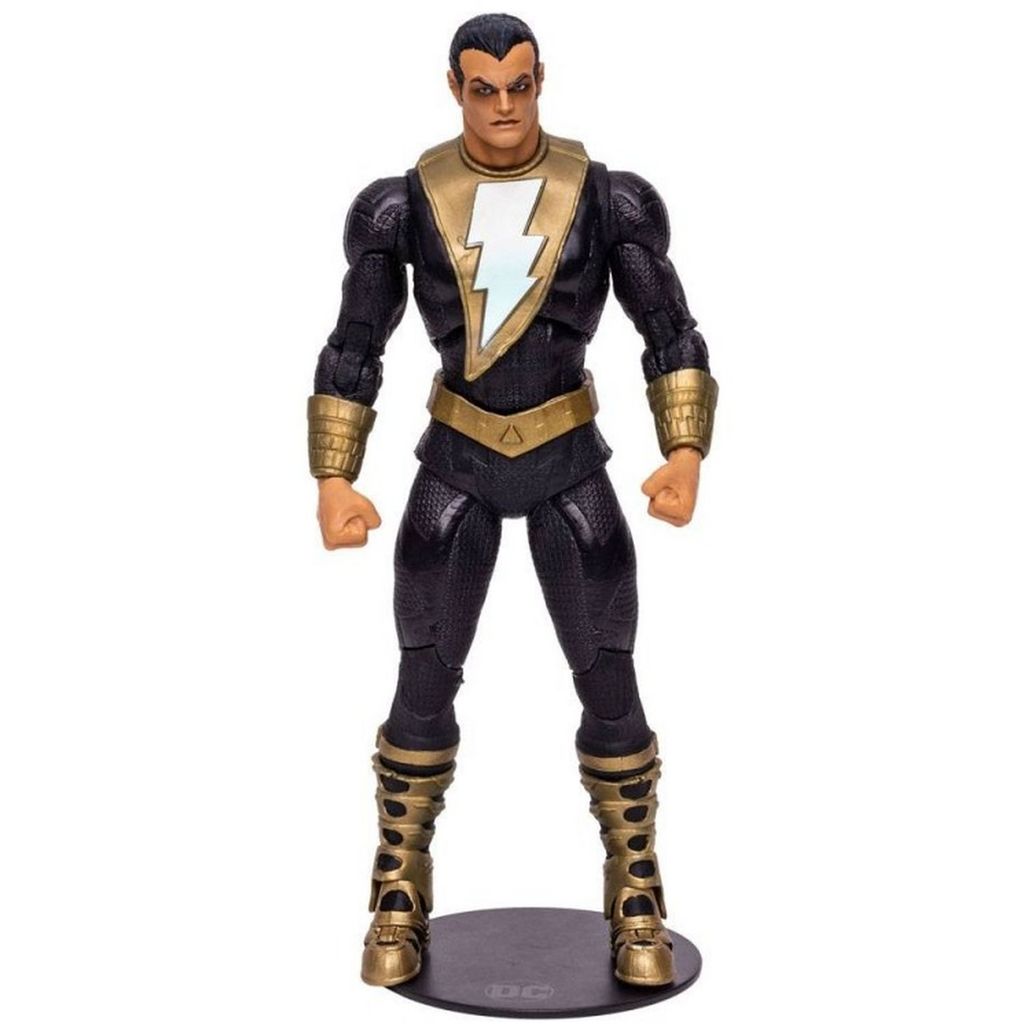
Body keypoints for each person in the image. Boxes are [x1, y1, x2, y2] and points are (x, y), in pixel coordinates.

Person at [307, 13, 718, 989]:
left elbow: (669, 328)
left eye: (519, 86)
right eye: (484, 88)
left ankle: (635, 888)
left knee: (608, 679)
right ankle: (399, 885)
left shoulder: (606, 200)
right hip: (455, 461)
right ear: (454, 88)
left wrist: (684, 452)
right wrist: (334, 475)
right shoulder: (403, 207)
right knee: (423, 679)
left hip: (569, 459)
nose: (503, 107)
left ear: (542, 82)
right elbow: (355, 341)